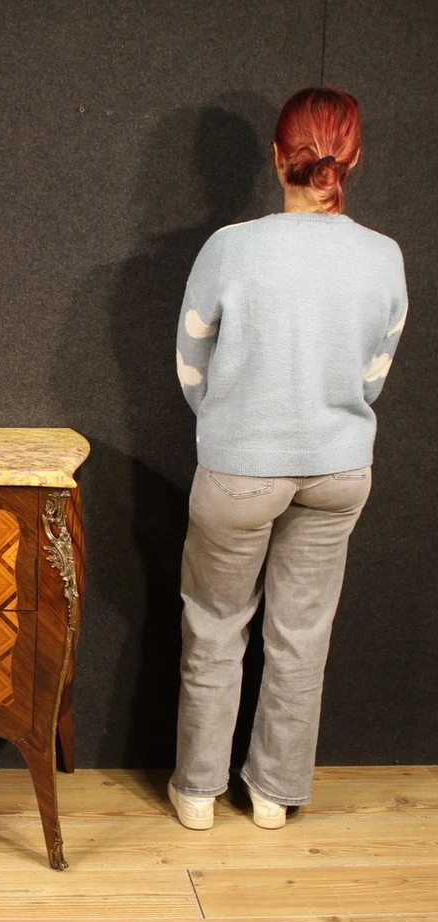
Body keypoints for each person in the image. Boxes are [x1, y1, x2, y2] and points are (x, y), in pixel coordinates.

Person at [169, 87, 408, 830]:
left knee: (215, 624)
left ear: (279, 158)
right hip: (339, 469)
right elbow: (373, 376)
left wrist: (232, 423)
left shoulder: (230, 248)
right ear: (354, 159)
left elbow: (191, 364)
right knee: (302, 637)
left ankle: (199, 792)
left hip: (240, 468)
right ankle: (274, 795)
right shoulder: (384, 258)